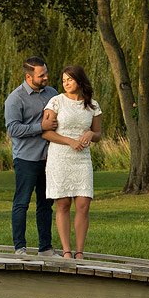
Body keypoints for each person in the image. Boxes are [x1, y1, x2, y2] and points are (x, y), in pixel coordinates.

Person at [41, 65, 102, 260]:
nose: (66, 83)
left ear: (80, 80)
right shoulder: (55, 102)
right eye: (63, 80)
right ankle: (67, 251)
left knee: (83, 204)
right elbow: (46, 132)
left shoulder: (92, 105)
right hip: (60, 157)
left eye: (70, 79)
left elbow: (99, 134)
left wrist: (91, 134)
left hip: (82, 159)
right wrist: (70, 141)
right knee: (64, 204)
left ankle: (80, 252)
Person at [4, 57, 60, 258]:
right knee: (22, 203)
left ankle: (45, 248)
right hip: (26, 159)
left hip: (49, 158)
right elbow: (13, 129)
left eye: (45, 73)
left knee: (46, 205)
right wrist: (40, 127)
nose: (46, 77)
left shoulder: (52, 94)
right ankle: (20, 248)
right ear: (29, 76)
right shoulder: (15, 99)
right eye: (41, 75)